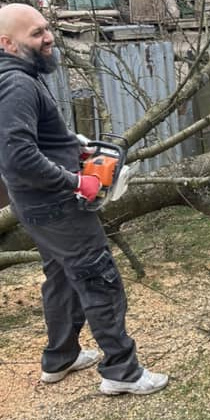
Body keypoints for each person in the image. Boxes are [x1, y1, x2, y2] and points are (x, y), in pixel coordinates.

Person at [0, 3, 167, 395]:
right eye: (36, 34)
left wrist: (68, 143)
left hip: (38, 205)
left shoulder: (16, 75)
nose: (48, 38)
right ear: (6, 43)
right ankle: (121, 372)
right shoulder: (16, 84)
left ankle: (60, 357)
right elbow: (18, 157)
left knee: (60, 278)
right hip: (56, 205)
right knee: (99, 278)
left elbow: (25, 141)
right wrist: (76, 181)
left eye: (46, 29)